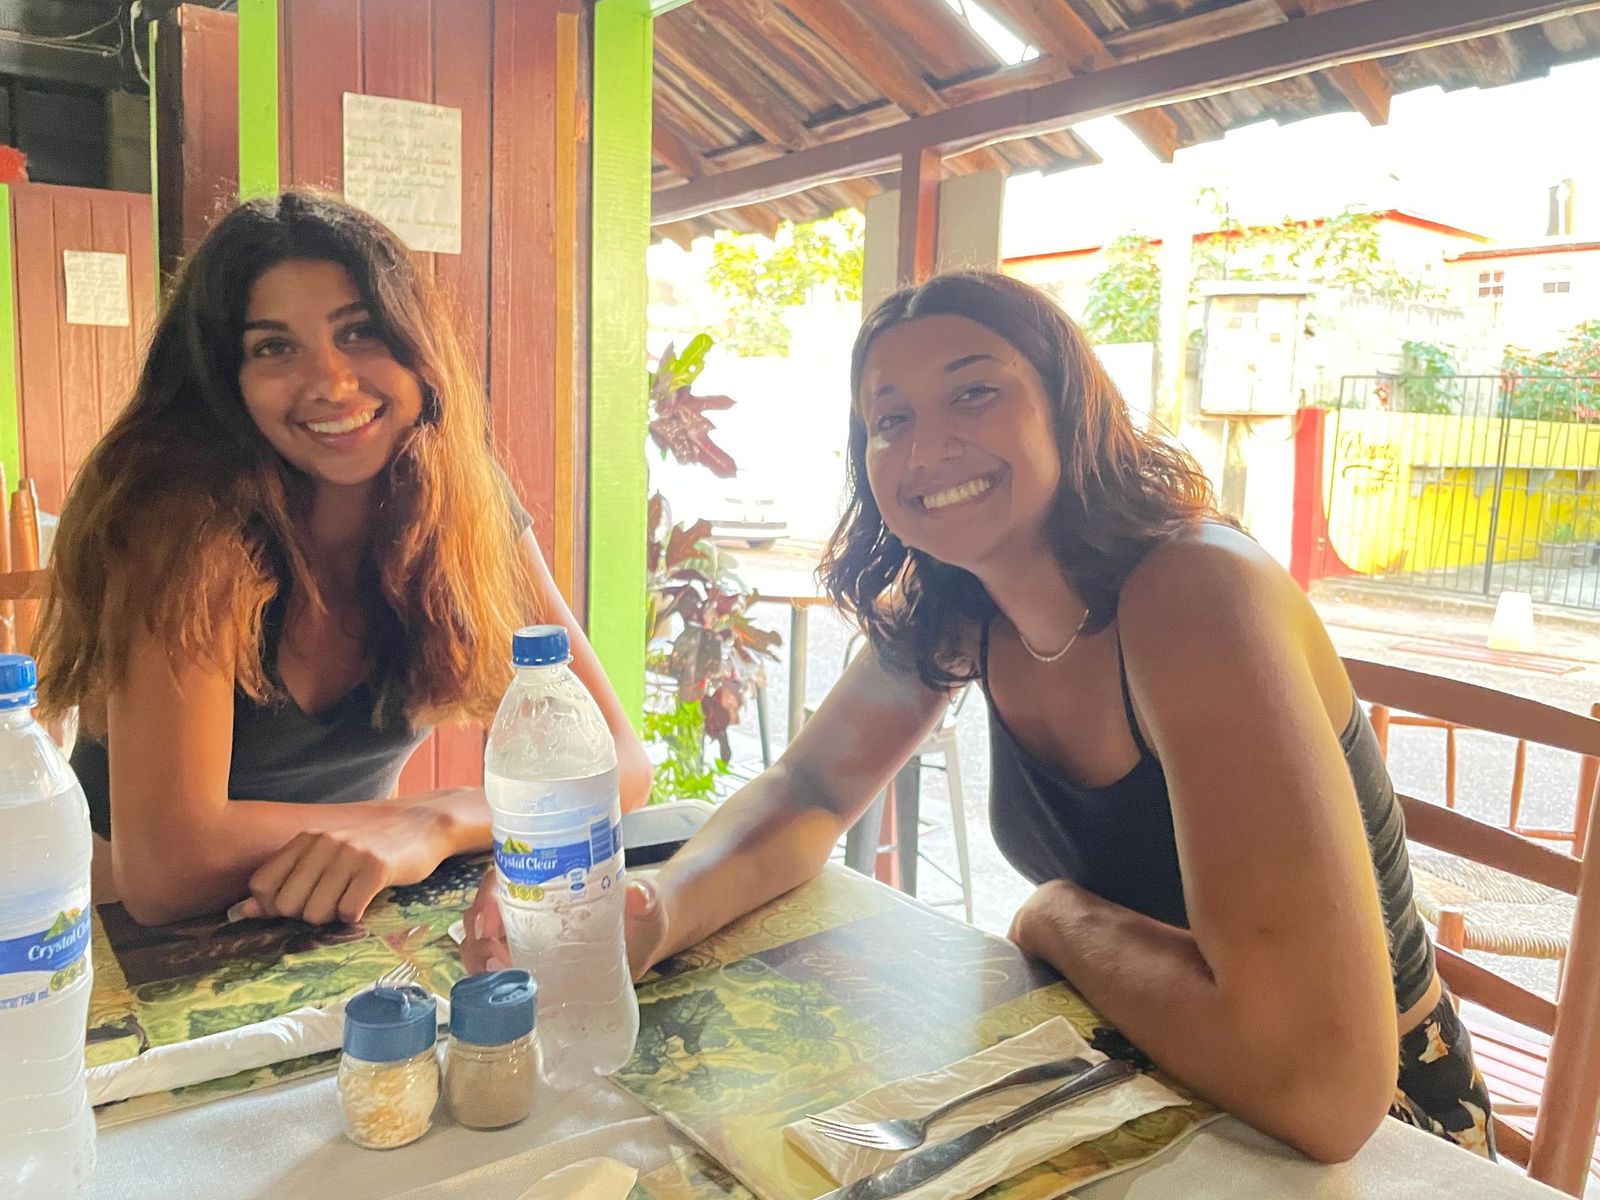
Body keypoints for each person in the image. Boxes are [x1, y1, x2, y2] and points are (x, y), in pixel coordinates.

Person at [466, 271, 1492, 1163]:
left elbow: (1321, 1089)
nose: (926, 445)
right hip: (1154, 1074)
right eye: (889, 419)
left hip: (1386, 1136)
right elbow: (809, 789)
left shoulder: (1193, 590)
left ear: (1070, 409)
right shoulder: (964, 604)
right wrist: (654, 912)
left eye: (974, 392)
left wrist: (1060, 917)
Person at [37, 191, 649, 928]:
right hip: (114, 948)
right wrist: (419, 821)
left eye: (360, 332)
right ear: (224, 381)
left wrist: (439, 822)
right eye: (274, 348)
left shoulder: (460, 502)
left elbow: (619, 766)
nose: (331, 381)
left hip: (332, 920)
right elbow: (170, 866)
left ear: (417, 349)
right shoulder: (181, 523)